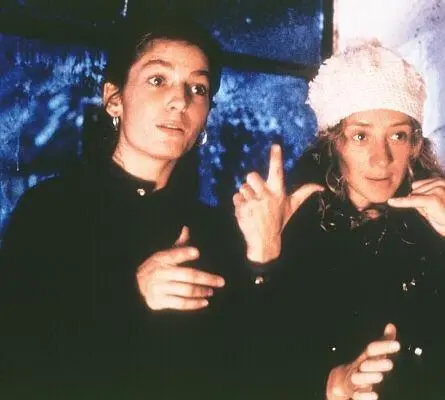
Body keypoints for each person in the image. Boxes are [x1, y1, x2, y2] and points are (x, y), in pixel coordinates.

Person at [0, 14, 278, 399]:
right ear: (114, 99)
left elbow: (253, 372)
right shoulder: (51, 211)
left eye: (197, 88)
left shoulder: (216, 230)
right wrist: (130, 295)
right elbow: (17, 362)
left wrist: (263, 260)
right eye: (158, 80)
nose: (180, 100)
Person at [234, 41, 445, 400]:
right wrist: (263, 260)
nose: (381, 159)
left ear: (414, 146)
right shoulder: (286, 224)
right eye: (361, 136)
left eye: (397, 135)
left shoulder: (435, 222)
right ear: (334, 144)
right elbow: (246, 363)